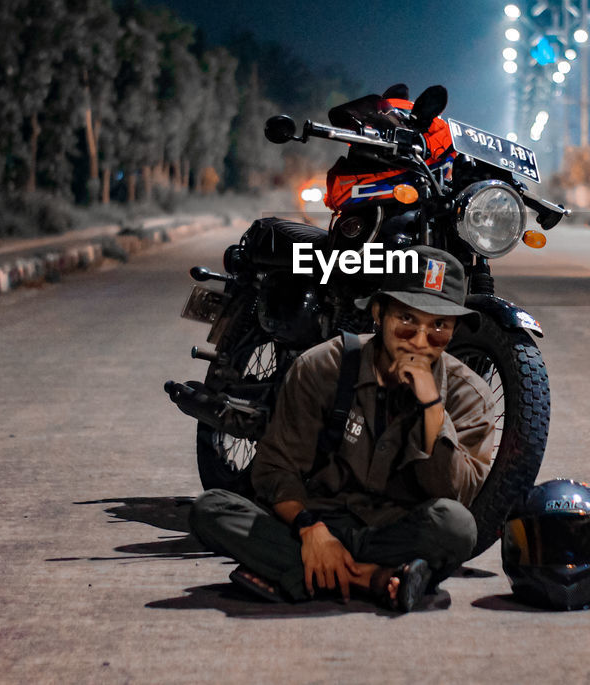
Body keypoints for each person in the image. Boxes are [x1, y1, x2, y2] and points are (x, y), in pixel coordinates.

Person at [189, 245, 495, 613]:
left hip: (393, 532)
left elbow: (454, 496)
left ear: (455, 330)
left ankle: (301, 575)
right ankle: (375, 580)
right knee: (211, 509)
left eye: (439, 327)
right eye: (407, 320)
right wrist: (310, 529)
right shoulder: (321, 367)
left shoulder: (471, 396)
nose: (419, 340)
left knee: (457, 528)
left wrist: (431, 408)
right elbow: (275, 469)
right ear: (379, 314)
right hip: (317, 522)